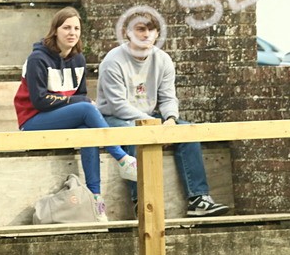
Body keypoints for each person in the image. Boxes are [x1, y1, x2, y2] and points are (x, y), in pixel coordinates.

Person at [96, 13, 229, 217]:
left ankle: (198, 199)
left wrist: (170, 120)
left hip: (151, 118)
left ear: (157, 33)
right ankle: (141, 202)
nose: (146, 34)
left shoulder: (163, 59)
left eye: (151, 29)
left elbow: (168, 98)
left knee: (186, 131)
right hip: (114, 117)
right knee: (134, 133)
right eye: (140, 29)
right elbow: (117, 105)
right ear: (128, 33)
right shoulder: (113, 61)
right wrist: (152, 125)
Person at [14, 6, 137, 223]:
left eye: (77, 28)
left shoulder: (78, 60)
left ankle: (95, 199)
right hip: (33, 120)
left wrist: (77, 101)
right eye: (66, 28)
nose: (72, 33)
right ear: (55, 31)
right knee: (88, 108)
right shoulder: (37, 59)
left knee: (88, 131)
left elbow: (78, 94)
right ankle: (123, 158)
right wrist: (78, 102)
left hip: (61, 117)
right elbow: (40, 101)